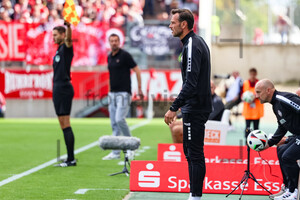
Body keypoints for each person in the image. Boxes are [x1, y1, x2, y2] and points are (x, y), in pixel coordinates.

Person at [164, 9, 212, 200]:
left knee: (195, 153)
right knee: (190, 152)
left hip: (197, 106)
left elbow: (191, 83)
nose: (170, 25)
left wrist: (173, 107)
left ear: (184, 24)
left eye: (173, 22)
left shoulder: (192, 44)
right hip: (194, 106)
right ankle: (194, 194)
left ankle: (195, 196)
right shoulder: (192, 43)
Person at [255, 79, 300, 200]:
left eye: (258, 92)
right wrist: (268, 144)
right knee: (281, 150)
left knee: (288, 157)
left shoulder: (283, 99)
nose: (256, 95)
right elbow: (282, 127)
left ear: (268, 90)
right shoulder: (276, 105)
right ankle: (287, 188)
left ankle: (293, 192)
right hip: (297, 135)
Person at [102, 33, 144, 160]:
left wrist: (140, 88)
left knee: (120, 119)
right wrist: (109, 91)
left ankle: (132, 146)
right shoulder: (109, 57)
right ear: (109, 43)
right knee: (114, 123)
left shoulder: (125, 55)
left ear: (119, 42)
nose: (114, 43)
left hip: (124, 92)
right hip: (113, 94)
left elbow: (137, 70)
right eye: (112, 41)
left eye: (116, 41)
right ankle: (115, 152)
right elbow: (110, 75)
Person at [52, 22, 76, 167]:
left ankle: (71, 159)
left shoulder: (66, 48)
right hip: (57, 88)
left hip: (64, 88)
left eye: (56, 35)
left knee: (66, 123)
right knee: (62, 123)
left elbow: (69, 40)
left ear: (62, 35)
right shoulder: (58, 51)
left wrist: (68, 28)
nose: (53, 38)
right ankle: (69, 157)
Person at [242, 68, 264, 139]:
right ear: (249, 74)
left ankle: (257, 139)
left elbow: (262, 95)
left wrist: (254, 97)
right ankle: (246, 139)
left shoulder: (260, 83)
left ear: (256, 74)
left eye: (254, 74)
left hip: (256, 110)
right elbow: (241, 94)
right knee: (247, 127)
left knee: (256, 127)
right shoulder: (245, 83)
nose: (252, 76)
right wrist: (246, 98)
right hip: (248, 110)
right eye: (251, 74)